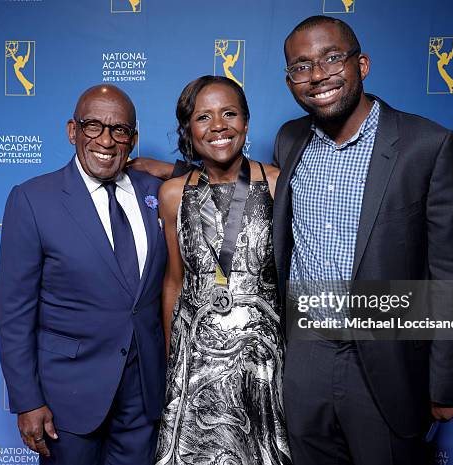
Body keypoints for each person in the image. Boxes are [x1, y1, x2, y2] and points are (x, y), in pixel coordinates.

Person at [274, 16, 453, 465]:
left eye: (331, 58)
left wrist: (446, 382)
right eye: (300, 66)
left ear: (361, 64)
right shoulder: (289, 141)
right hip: (306, 354)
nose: (318, 75)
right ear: (290, 81)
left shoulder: (427, 145)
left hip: (386, 358)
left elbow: (451, 272)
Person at [0, 84, 166, 465]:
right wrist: (27, 399)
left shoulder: (155, 191)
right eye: (93, 126)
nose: (106, 140)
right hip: (66, 399)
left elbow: (222, 173)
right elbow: (14, 311)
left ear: (133, 140)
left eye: (119, 130)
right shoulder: (33, 199)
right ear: (73, 131)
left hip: (143, 397)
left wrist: (170, 168)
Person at [154, 75, 291, 465]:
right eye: (203, 117)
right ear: (189, 129)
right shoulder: (173, 193)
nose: (218, 126)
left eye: (229, 113)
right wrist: (173, 360)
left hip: (261, 360)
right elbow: (174, 282)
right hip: (195, 360)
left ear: (246, 123)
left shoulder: (278, 183)